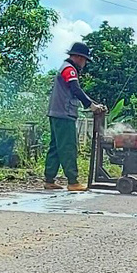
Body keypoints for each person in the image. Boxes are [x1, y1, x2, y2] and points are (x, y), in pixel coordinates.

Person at [45, 41, 96, 191]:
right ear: (79, 58)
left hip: (56, 112)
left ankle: (49, 179)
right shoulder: (70, 69)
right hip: (64, 113)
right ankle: (73, 182)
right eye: (85, 60)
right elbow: (76, 89)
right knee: (68, 147)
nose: (85, 63)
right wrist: (90, 105)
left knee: (55, 147)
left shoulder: (64, 67)